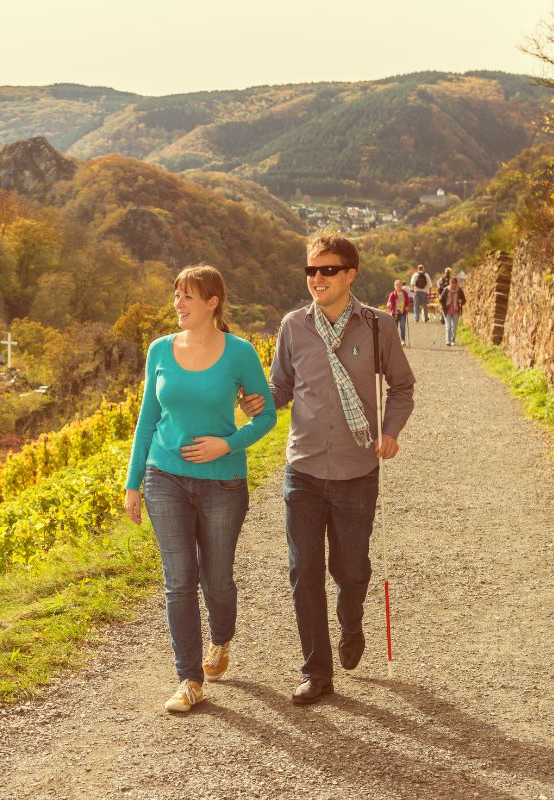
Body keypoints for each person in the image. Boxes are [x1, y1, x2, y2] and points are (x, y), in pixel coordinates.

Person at [241, 232, 414, 705]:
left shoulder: (378, 327)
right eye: (311, 271)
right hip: (304, 469)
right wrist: (254, 401)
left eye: (328, 270)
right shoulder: (294, 326)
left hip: (358, 470)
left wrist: (391, 432)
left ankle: (352, 617)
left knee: (351, 569)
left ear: (350, 274)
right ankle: (316, 672)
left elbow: (402, 387)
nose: (317, 278)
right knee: (304, 570)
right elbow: (280, 388)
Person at [124, 264, 277, 713]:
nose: (178, 304)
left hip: (223, 483)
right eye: (176, 295)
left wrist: (226, 445)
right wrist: (134, 482)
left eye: (188, 296)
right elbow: (147, 420)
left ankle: (222, 639)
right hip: (164, 475)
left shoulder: (240, 352)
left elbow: (265, 416)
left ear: (213, 303)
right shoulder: (159, 350)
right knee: (178, 582)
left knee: (217, 578)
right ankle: (188, 680)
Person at [440, 276, 466, 346]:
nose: (453, 285)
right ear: (450, 283)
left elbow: (464, 300)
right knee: (448, 326)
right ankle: (447, 341)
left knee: (454, 327)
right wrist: (443, 307)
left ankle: (452, 340)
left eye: (455, 283)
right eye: (452, 283)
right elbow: (441, 300)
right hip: (447, 311)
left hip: (456, 311)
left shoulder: (459, 290)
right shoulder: (446, 290)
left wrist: (461, 301)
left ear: (457, 283)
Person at [386, 280, 410, 346]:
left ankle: (403, 340)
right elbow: (388, 302)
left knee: (402, 326)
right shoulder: (393, 294)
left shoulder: (405, 293)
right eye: (397, 285)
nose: (398, 286)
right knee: (395, 328)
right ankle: (397, 340)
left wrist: (407, 307)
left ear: (402, 285)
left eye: (399, 284)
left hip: (402, 313)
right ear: (394, 286)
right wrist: (389, 304)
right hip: (394, 314)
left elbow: (408, 303)